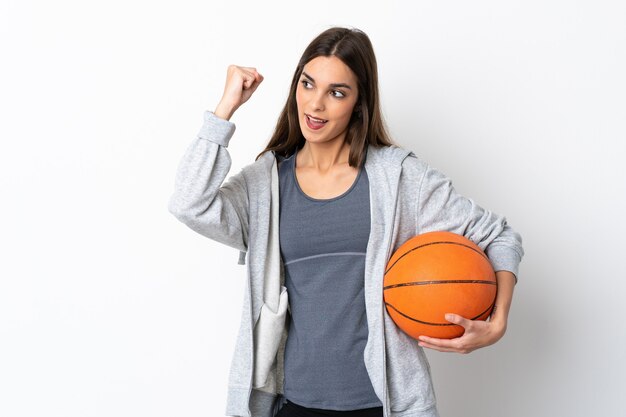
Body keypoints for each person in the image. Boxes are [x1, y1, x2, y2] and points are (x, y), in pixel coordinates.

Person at [168, 26, 524, 417]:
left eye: (336, 92)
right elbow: (189, 203)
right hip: (294, 404)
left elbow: (498, 236)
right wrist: (224, 110)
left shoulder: (399, 178)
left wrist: (498, 321)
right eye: (308, 84)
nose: (316, 104)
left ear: (358, 102)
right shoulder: (264, 185)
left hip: (383, 405)